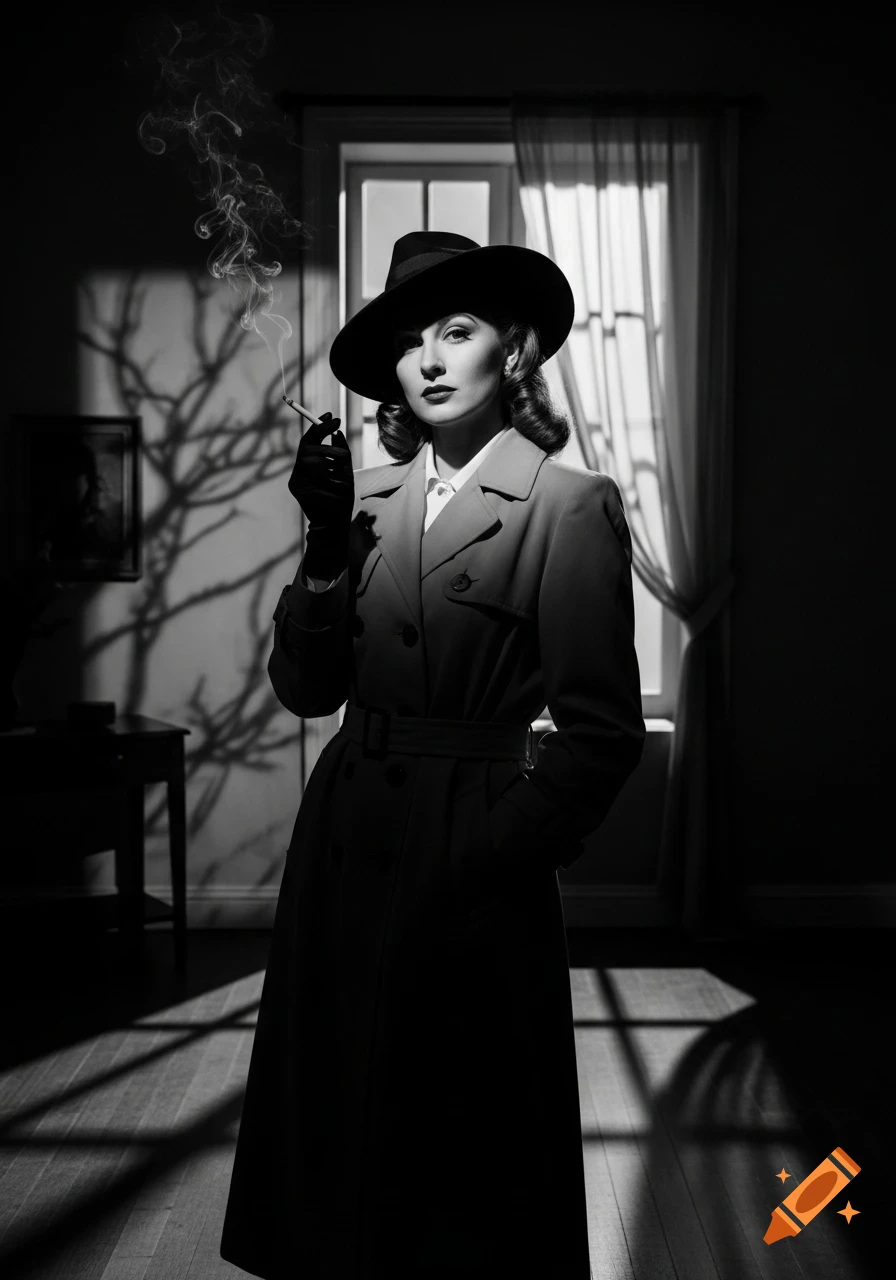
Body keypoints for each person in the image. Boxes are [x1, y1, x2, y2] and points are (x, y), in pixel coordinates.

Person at [220, 231, 646, 1279]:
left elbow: (600, 733)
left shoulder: (569, 505)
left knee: (463, 1132)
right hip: (346, 837)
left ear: (515, 349)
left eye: (456, 331)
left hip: (471, 843)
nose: (429, 358)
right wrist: (325, 551)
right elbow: (306, 691)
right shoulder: (359, 504)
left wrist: (489, 849)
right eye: (410, 341)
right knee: (337, 1114)